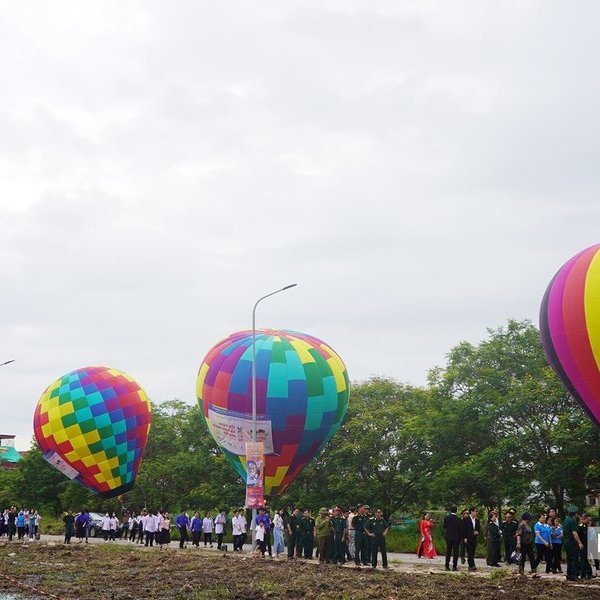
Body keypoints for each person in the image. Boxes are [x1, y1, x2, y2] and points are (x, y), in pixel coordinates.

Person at [563, 505, 581, 581]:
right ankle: (574, 575)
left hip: (566, 541)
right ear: (575, 513)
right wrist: (579, 542)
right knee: (574, 558)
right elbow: (574, 533)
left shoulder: (566, 520)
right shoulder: (572, 520)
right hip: (571, 542)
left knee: (569, 558)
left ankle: (569, 575)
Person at [443, 505, 462, 571]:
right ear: (456, 511)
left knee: (448, 552)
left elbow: (444, 526)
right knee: (455, 552)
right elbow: (460, 529)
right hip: (456, 537)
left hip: (448, 537)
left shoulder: (446, 518)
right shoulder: (459, 519)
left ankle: (446, 565)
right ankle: (454, 566)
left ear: (450, 511)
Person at [462, 507, 480, 571]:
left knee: (472, 552)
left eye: (477, 511)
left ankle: (471, 565)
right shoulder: (466, 519)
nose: (476, 513)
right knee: (469, 552)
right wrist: (464, 537)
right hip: (467, 538)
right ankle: (472, 565)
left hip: (474, 538)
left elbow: (478, 529)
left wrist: (477, 532)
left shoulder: (477, 520)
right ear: (471, 512)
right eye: (475, 511)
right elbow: (463, 530)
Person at [578, 514, 593, 579]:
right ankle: (587, 573)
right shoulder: (580, 526)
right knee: (583, 559)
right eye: (587, 520)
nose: (588, 521)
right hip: (582, 545)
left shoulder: (587, 527)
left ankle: (585, 574)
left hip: (586, 544)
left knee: (584, 559)